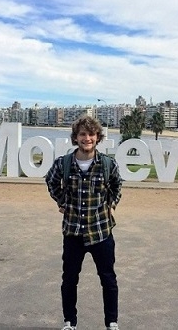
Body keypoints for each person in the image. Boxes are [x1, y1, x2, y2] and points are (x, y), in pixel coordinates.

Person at [45, 115, 122, 330]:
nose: (86, 138)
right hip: (73, 232)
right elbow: (50, 181)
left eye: (91, 134)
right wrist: (62, 201)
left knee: (108, 279)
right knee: (69, 279)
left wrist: (112, 203)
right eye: (82, 134)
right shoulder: (64, 163)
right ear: (76, 137)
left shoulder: (107, 164)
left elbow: (117, 184)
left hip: (101, 231)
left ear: (97, 137)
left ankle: (111, 323)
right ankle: (70, 322)